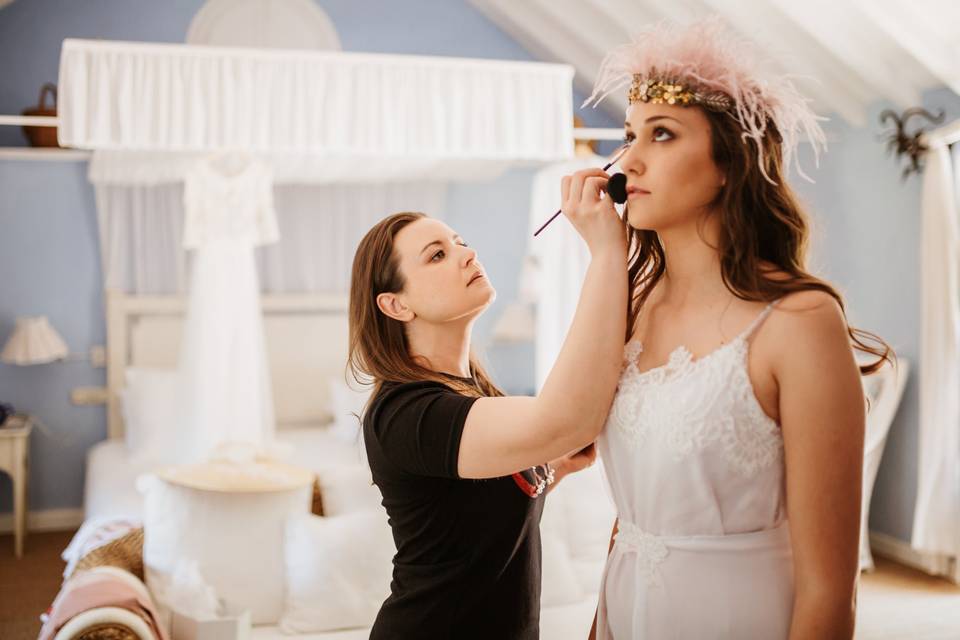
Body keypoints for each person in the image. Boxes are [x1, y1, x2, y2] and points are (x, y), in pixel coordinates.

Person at [581, 18, 894, 639]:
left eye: (662, 135)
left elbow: (831, 588)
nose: (629, 159)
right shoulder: (631, 306)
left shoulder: (799, 322)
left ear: (729, 164)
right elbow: (630, 524)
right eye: (628, 135)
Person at [346, 182, 626, 638]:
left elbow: (470, 516)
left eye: (460, 242)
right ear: (395, 304)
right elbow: (568, 418)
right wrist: (606, 252)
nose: (467, 254)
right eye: (437, 255)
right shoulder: (408, 411)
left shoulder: (475, 396)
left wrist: (552, 467)